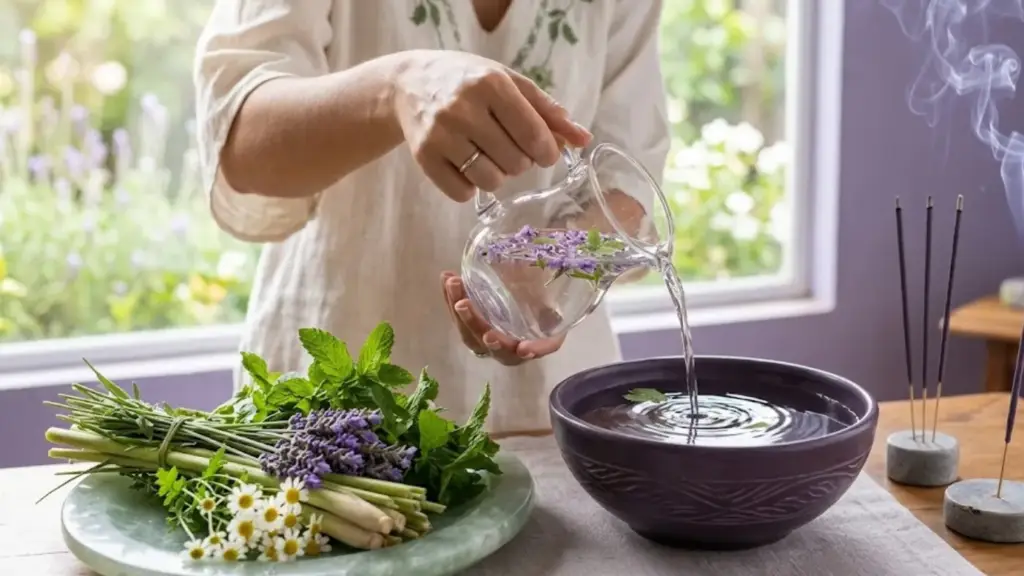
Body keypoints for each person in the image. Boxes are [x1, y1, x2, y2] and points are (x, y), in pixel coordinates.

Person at [193, 0, 669, 434]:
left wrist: (553, 268)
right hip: (336, 401)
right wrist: (395, 87)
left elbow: (629, 177)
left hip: (553, 412)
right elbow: (239, 141)